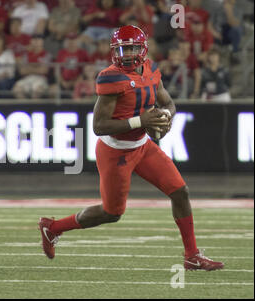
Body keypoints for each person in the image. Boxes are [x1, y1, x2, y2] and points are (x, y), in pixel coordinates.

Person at [38, 25, 224, 271]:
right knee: (112, 213)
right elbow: (99, 125)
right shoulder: (110, 77)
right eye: (123, 49)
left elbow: (168, 102)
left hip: (142, 146)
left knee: (180, 192)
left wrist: (165, 117)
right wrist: (141, 121)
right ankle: (53, 227)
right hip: (116, 151)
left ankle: (192, 255)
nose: (127, 54)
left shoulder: (150, 69)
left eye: (132, 48)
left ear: (143, 49)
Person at [12, 35, 51, 99]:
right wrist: (37, 67)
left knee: (37, 91)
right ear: (31, 42)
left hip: (40, 79)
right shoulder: (26, 55)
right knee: (17, 90)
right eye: (34, 40)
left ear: (42, 42)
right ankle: (24, 107)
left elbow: (44, 70)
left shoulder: (46, 54)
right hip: (27, 78)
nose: (36, 42)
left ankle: (34, 108)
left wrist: (29, 67)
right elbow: (22, 71)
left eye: (38, 40)